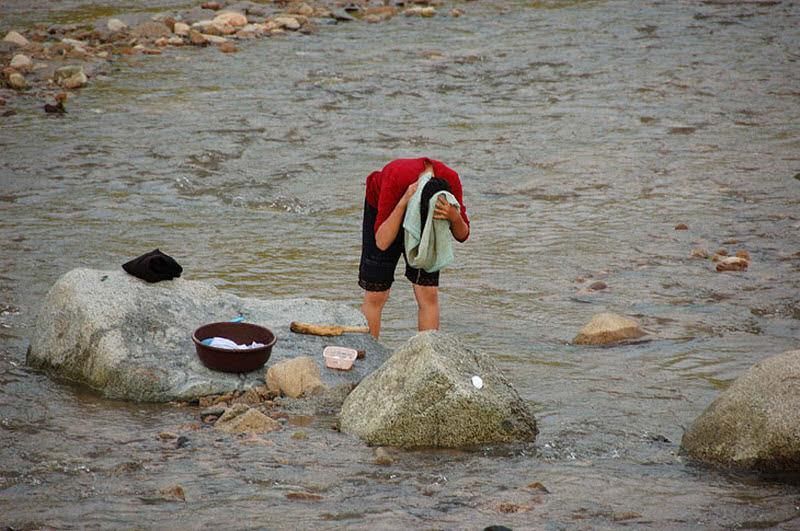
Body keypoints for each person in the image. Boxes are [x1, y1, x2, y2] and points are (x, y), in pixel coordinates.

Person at [359, 157, 470, 338]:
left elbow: (463, 235)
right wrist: (404, 201)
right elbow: (382, 242)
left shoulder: (450, 180)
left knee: (428, 293)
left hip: (427, 218)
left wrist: (453, 216)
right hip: (390, 209)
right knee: (376, 294)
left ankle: (429, 354)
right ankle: (369, 354)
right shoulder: (395, 178)